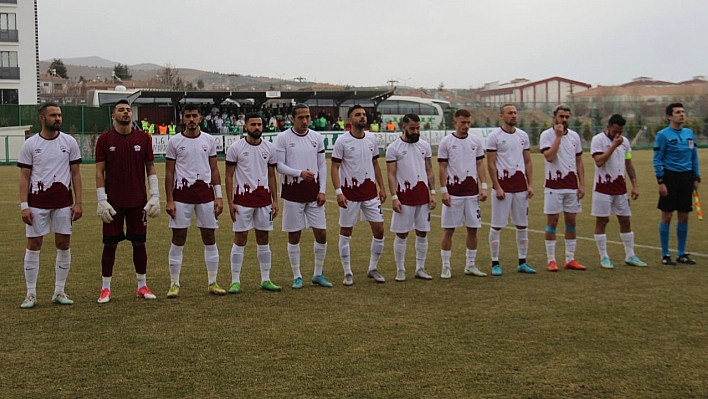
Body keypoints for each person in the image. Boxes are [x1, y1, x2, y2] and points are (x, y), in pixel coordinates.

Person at [17, 102, 83, 308]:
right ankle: (30, 294)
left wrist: (78, 202)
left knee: (63, 244)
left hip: (63, 204)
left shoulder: (69, 142)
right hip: (37, 204)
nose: (58, 118)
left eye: (60, 115)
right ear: (42, 118)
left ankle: (59, 291)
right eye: (53, 115)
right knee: (34, 245)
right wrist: (24, 206)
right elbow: (24, 177)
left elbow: (76, 174)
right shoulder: (30, 144)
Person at [95, 99, 160, 303]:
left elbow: (150, 167)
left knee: (139, 243)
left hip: (137, 201)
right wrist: (101, 199)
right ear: (113, 115)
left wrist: (155, 195)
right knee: (110, 245)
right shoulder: (105, 140)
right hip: (113, 203)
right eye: (121, 110)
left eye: (128, 110)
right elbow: (99, 171)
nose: (126, 113)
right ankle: (105, 288)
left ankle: (142, 285)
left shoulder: (143, 138)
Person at [164, 104, 225, 298]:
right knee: (178, 238)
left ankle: (212, 282)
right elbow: (169, 172)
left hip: (205, 196)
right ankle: (174, 284)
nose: (191, 119)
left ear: (200, 119)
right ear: (183, 119)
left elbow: (214, 170)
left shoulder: (209, 140)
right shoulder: (175, 142)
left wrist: (219, 196)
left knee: (209, 237)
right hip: (182, 196)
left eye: (195, 116)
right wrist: (169, 200)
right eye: (188, 116)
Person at [274, 103, 332, 289]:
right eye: (301, 117)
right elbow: (279, 166)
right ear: (293, 118)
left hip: (314, 194)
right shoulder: (283, 138)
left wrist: (322, 190)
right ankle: (297, 275)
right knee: (294, 235)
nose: (305, 121)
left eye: (307, 117)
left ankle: (318, 274)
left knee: (321, 233)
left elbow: (322, 166)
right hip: (292, 193)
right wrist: (299, 173)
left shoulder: (317, 137)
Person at [225, 113, 282, 293]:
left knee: (264, 239)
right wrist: (230, 203)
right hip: (242, 201)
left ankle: (265, 279)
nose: (257, 127)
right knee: (240, 238)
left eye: (259, 124)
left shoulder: (270, 148)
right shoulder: (236, 148)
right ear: (245, 127)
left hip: (264, 202)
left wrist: (275, 200)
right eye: (253, 124)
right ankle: (235, 281)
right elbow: (228, 176)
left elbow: (272, 175)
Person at [331, 105, 387, 285]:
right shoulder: (342, 141)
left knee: (379, 230)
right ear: (350, 120)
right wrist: (339, 192)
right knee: (346, 232)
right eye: (358, 115)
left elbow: (376, 164)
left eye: (364, 114)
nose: (362, 117)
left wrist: (382, 187)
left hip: (370, 194)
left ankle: (372, 268)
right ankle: (347, 271)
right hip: (350, 194)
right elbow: (334, 167)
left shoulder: (371, 138)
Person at [591, 114, 646, 268]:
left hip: (620, 189)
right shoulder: (598, 140)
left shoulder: (625, 142)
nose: (618, 135)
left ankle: (630, 255)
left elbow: (628, 164)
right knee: (602, 221)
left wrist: (634, 184)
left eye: (620, 131)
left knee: (625, 221)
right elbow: (599, 162)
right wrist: (613, 145)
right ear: (607, 127)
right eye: (615, 131)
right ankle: (604, 257)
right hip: (603, 188)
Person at [486, 104, 535, 276]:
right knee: (497, 226)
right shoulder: (495, 137)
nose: (513, 115)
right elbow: (490, 163)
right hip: (503, 188)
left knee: (522, 225)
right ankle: (495, 262)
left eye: (515, 113)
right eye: (509, 113)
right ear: (502, 116)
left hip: (520, 187)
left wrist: (530, 184)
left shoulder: (523, 136)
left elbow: (527, 161)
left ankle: (522, 261)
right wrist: (497, 186)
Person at [438, 109, 488, 278]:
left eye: (468, 123)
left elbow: (480, 164)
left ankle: (470, 265)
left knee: (473, 229)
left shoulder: (475, 141)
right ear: (455, 122)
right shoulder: (446, 142)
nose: (466, 126)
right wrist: (444, 191)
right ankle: (446, 266)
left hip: (472, 194)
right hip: (454, 194)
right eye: (463, 123)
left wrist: (484, 186)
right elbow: (442, 168)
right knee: (449, 230)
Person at [386, 113, 436, 281]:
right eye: (412, 128)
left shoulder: (424, 146)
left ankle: (420, 268)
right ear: (404, 127)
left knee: (422, 233)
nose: (416, 131)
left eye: (418, 128)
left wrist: (433, 193)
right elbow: (391, 174)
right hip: (404, 198)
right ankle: (400, 269)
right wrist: (394, 197)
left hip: (423, 197)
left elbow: (429, 171)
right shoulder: (394, 148)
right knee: (401, 234)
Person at [539, 104, 586, 272]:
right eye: (561, 117)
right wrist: (558, 137)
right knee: (552, 222)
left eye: (567, 117)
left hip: (571, 187)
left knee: (571, 222)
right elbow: (550, 157)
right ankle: (551, 259)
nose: (564, 120)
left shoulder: (574, 136)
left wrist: (582, 184)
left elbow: (579, 161)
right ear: (554, 118)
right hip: (553, 186)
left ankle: (570, 258)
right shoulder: (547, 135)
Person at [654, 103, 701, 265]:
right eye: (678, 112)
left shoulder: (689, 133)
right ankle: (665, 254)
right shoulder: (663, 135)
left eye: (683, 111)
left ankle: (681, 253)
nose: (682, 114)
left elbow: (694, 156)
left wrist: (696, 176)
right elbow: (657, 159)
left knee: (684, 215)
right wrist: (660, 180)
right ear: (669, 116)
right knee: (667, 215)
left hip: (686, 178)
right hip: (670, 178)